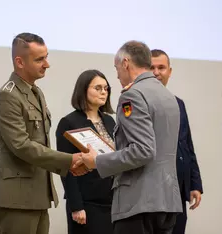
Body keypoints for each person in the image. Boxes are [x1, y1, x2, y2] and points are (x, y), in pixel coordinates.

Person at [77, 40, 183, 234]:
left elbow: (143, 150)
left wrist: (97, 161)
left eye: (116, 67)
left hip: (139, 203)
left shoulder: (132, 96)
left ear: (125, 63)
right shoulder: (169, 97)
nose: (116, 74)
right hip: (167, 202)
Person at [0, 32, 87, 234]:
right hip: (16, 199)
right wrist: (69, 161)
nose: (47, 64)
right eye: (39, 59)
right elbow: (22, 146)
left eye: (46, 57)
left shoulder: (36, 92)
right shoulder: (7, 96)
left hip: (38, 195)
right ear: (20, 62)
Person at [56, 69, 116, 234]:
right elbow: (66, 168)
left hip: (112, 200)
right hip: (87, 203)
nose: (103, 92)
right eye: (98, 88)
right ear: (83, 90)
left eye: (106, 88)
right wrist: (76, 206)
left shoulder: (110, 121)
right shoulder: (69, 122)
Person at [151, 49, 203, 234]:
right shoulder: (139, 102)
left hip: (178, 188)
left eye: (161, 68)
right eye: (151, 67)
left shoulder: (178, 103)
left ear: (169, 72)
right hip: (153, 191)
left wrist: (195, 183)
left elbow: (187, 144)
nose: (156, 72)